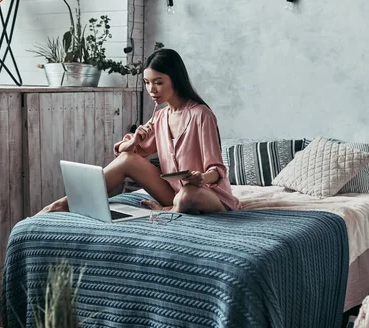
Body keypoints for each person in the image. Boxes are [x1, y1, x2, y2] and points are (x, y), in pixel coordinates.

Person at [40, 48, 241, 214]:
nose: (151, 89)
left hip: (207, 196)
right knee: (128, 159)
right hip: (174, 193)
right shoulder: (161, 117)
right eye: (147, 82)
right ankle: (64, 204)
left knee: (188, 193)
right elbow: (126, 154)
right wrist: (135, 140)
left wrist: (201, 178)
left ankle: (167, 212)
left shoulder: (201, 115)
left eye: (158, 82)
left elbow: (218, 171)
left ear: (175, 79)